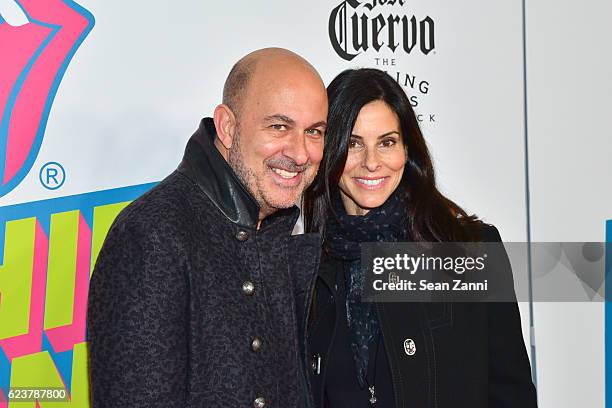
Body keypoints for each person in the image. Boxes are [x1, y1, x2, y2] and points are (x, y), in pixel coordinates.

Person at [87, 48, 328, 408]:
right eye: (279, 126)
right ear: (228, 127)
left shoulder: (273, 230)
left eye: (314, 131)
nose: (299, 153)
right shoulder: (151, 234)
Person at [303, 68, 537, 407]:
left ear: (407, 151)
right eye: (353, 144)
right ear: (329, 151)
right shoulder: (307, 266)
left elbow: (511, 394)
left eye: (387, 142)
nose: (372, 163)